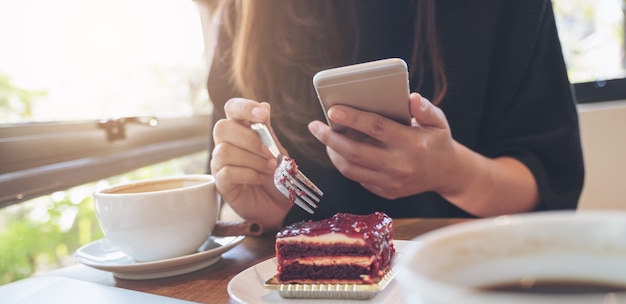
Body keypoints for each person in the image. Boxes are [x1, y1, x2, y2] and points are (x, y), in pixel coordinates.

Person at [207, 0, 585, 233]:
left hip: (459, 287)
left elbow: (549, 182)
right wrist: (262, 215)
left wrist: (453, 173)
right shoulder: (247, 15)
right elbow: (237, 185)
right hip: (297, 294)